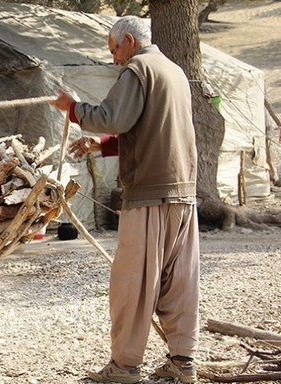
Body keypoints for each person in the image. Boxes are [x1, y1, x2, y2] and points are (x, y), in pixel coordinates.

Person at [54, 16, 200, 384]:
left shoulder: (138, 69)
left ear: (130, 41)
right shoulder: (174, 72)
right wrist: (101, 145)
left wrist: (72, 108)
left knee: (133, 283)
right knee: (178, 280)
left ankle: (124, 367)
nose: (115, 58)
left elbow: (114, 117)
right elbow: (150, 126)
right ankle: (183, 362)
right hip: (182, 192)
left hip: (149, 193)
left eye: (115, 49)